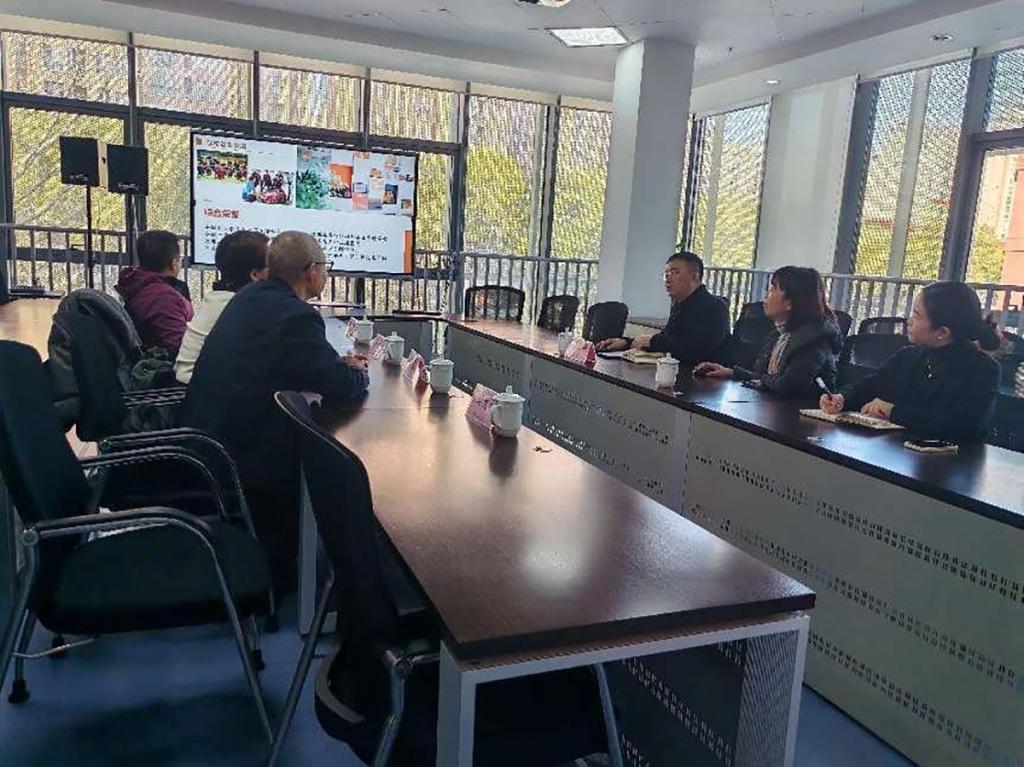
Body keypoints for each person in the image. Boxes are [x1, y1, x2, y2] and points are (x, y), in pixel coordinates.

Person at [181, 231, 368, 584]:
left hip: (208, 437)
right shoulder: (295, 315)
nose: (325, 273)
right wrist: (357, 372)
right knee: (334, 468)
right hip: (237, 458)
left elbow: (299, 364)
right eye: (325, 266)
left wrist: (335, 367)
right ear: (310, 272)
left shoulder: (251, 297)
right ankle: (325, 581)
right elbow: (340, 387)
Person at [820, 281, 1001, 443]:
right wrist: (841, 398)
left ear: (942, 332)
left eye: (917, 315)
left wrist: (893, 411)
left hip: (952, 463)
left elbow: (961, 425)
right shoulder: (908, 356)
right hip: (899, 454)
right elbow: (868, 387)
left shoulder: (983, 369)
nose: (909, 321)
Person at [693, 266, 843, 394]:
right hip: (774, 407)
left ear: (790, 302)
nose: (767, 294)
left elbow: (788, 384)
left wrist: (760, 380)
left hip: (801, 415)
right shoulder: (778, 334)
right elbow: (762, 377)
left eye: (774, 288)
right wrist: (730, 373)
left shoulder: (814, 338)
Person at [596, 251, 731, 363]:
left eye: (675, 272)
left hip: (705, 379)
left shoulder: (716, 307)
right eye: (666, 274)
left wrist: (652, 342)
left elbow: (697, 349)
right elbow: (668, 339)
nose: (668, 279)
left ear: (695, 277)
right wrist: (626, 342)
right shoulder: (680, 304)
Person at [174, 230, 269, 384]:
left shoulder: (219, 299)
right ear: (255, 275)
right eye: (273, 265)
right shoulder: (242, 307)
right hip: (201, 389)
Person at [115, 230, 194, 356]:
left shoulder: (139, 285)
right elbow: (179, 347)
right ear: (173, 264)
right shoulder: (164, 298)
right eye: (180, 259)